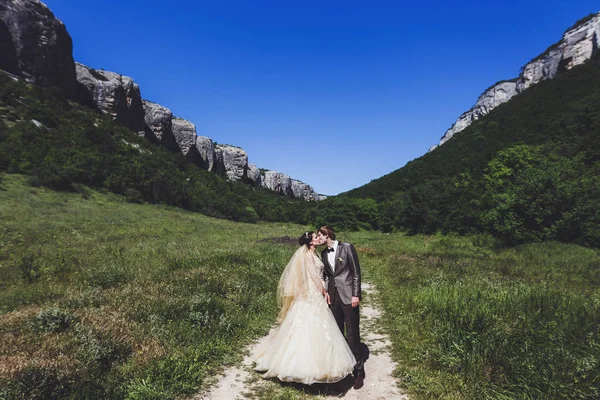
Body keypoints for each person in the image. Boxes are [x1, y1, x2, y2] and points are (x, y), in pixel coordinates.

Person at [253, 231, 355, 385]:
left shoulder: (315, 254)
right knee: (310, 324)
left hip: (315, 289)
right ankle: (301, 366)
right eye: (315, 238)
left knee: (319, 325)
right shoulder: (308, 256)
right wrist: (324, 291)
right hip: (313, 291)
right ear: (310, 242)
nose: (318, 239)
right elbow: (314, 276)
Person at [316, 225, 365, 390]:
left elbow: (356, 272)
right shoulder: (323, 253)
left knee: (352, 333)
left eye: (320, 235)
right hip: (333, 298)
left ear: (327, 234)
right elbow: (328, 276)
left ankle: (359, 371)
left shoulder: (347, 247)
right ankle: (343, 370)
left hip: (348, 296)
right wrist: (326, 293)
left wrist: (356, 294)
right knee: (337, 333)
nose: (318, 239)